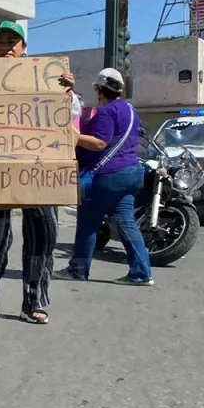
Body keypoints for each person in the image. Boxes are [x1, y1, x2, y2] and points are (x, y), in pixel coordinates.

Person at [0, 22, 78, 323]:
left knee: (43, 233)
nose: (6, 47)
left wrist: (66, 93)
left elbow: (70, 123)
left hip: (40, 168)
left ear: (24, 48)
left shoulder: (48, 78)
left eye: (12, 41)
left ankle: (34, 300)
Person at [64, 68, 153, 285]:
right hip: (132, 172)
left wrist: (73, 136)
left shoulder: (106, 112)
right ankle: (142, 273)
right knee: (126, 222)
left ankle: (78, 269)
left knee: (88, 222)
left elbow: (100, 143)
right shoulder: (130, 110)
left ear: (98, 89)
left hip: (109, 175)